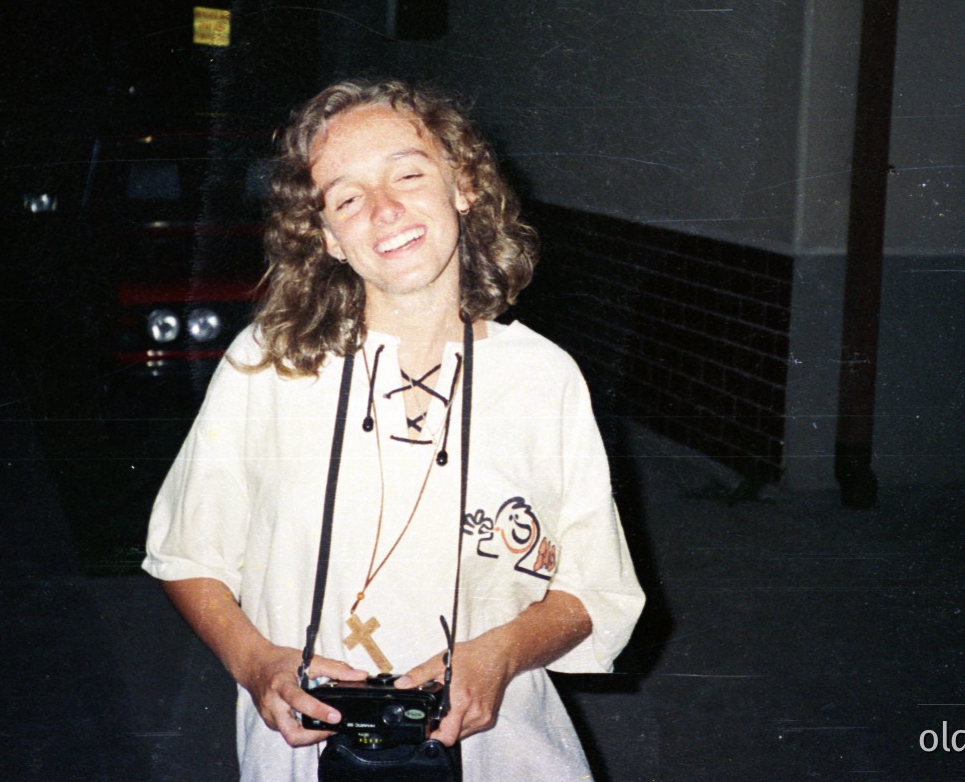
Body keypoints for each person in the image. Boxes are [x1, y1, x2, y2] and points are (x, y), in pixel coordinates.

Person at [144, 79, 644, 780]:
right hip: (307, 753)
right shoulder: (266, 366)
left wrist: (499, 655)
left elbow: (595, 590)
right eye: (346, 198)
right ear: (328, 238)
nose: (384, 210)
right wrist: (255, 663)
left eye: (408, 174)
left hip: (500, 754)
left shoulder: (543, 378)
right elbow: (187, 553)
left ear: (463, 185)